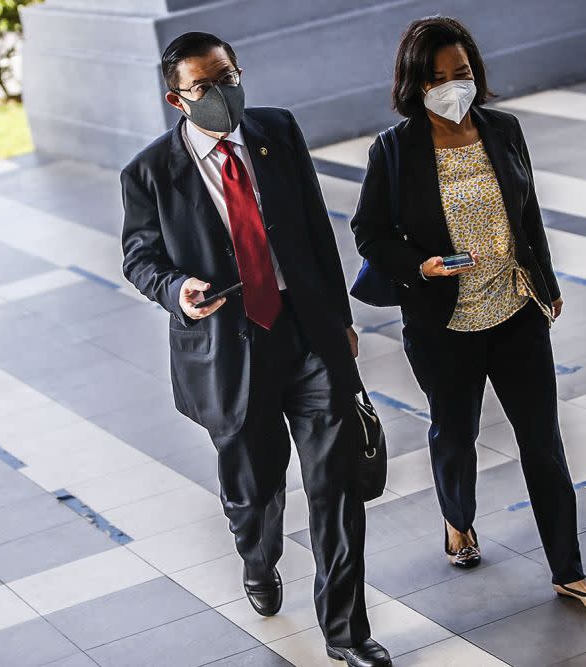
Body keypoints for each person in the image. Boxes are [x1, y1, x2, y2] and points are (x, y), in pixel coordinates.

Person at [120, 32, 391, 666]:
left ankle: (346, 634)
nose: (224, 93)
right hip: (228, 349)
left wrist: (340, 320)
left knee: (336, 485)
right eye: (206, 86)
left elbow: (314, 226)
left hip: (305, 333)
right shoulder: (150, 172)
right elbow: (139, 257)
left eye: (230, 76)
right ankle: (257, 556)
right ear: (176, 98)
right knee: (256, 491)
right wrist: (176, 288)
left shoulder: (278, 131)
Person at [350, 17, 586, 610]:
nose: (453, 86)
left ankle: (568, 570)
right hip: (442, 324)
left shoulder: (503, 130)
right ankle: (459, 520)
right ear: (416, 84)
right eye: (438, 77)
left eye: (462, 73)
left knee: (543, 443)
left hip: (515, 309)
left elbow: (528, 214)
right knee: (456, 433)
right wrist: (423, 266)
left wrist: (544, 282)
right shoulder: (394, 149)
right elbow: (368, 231)